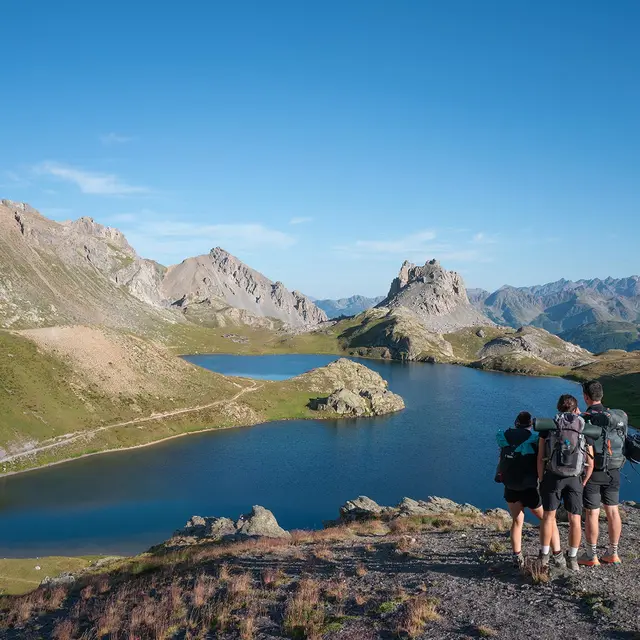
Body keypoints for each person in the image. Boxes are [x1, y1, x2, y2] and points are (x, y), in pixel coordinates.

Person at [496, 411, 562, 568]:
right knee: (547, 519)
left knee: (517, 521)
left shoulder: (504, 436)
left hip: (510, 485)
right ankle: (557, 555)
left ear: (516, 422)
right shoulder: (534, 439)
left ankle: (517, 557)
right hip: (529, 487)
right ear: (531, 425)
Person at [537, 394, 594, 571]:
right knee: (575, 519)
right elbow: (591, 462)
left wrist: (541, 478)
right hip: (575, 479)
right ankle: (573, 559)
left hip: (553, 476)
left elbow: (540, 457)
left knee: (548, 516)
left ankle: (544, 557)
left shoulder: (549, 425)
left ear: (558, 407)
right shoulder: (583, 426)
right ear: (575, 408)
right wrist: (583, 481)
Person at [578, 380, 628, 567]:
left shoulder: (586, 417)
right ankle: (612, 553)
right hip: (614, 469)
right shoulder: (614, 416)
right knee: (613, 511)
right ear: (601, 396)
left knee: (592, 512)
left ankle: (591, 555)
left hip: (594, 471)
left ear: (585, 397)